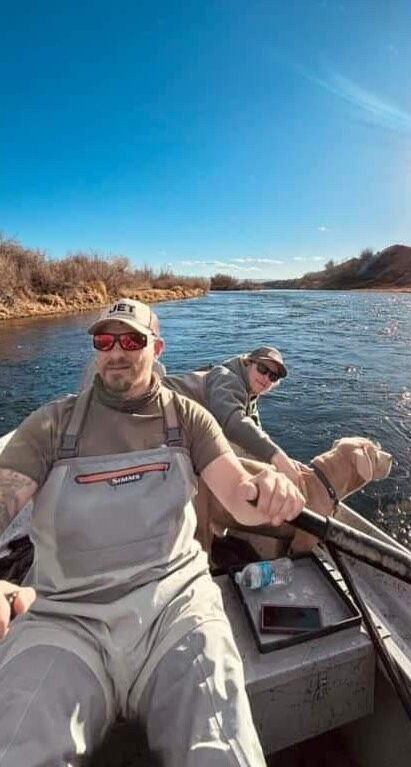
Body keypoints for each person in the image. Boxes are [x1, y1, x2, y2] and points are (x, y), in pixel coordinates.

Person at [0, 298, 305, 767]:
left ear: (157, 348)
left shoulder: (189, 419)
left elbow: (239, 496)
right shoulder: (49, 425)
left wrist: (268, 486)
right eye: (104, 340)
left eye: (131, 340)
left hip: (176, 611)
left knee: (225, 753)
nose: (116, 351)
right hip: (65, 619)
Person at [165, 347, 307, 487]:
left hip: (178, 428)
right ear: (248, 363)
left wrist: (287, 462)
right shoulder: (226, 377)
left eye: (273, 376)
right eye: (263, 369)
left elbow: (254, 434)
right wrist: (277, 456)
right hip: (157, 414)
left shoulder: (249, 396)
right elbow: (233, 421)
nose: (266, 378)